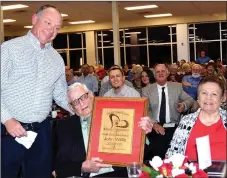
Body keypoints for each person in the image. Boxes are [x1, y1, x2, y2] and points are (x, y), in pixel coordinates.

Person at [1, 5, 72, 178]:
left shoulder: (56, 59)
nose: (51, 30)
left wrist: (83, 108)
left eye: (56, 28)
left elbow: (61, 94)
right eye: (48, 23)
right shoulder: (9, 49)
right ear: (34, 19)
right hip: (8, 130)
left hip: (41, 134)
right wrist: (7, 119)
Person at [52, 83, 153, 178]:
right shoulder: (64, 128)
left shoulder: (115, 115)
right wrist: (82, 167)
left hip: (119, 173)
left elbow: (141, 153)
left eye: (83, 97)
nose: (82, 104)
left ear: (91, 95)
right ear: (71, 107)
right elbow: (59, 168)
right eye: (75, 102)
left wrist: (143, 133)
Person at [166, 76, 226, 160]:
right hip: (190, 172)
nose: (208, 98)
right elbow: (172, 156)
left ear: (222, 98)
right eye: (204, 93)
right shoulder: (186, 121)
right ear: (198, 97)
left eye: (214, 94)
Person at [142, 64, 194, 159]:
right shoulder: (146, 90)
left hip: (173, 125)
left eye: (163, 71)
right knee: (157, 150)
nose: (160, 73)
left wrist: (184, 105)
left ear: (167, 73)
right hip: (155, 126)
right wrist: (154, 124)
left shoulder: (177, 87)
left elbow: (190, 99)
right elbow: (145, 109)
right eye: (158, 71)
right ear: (154, 75)